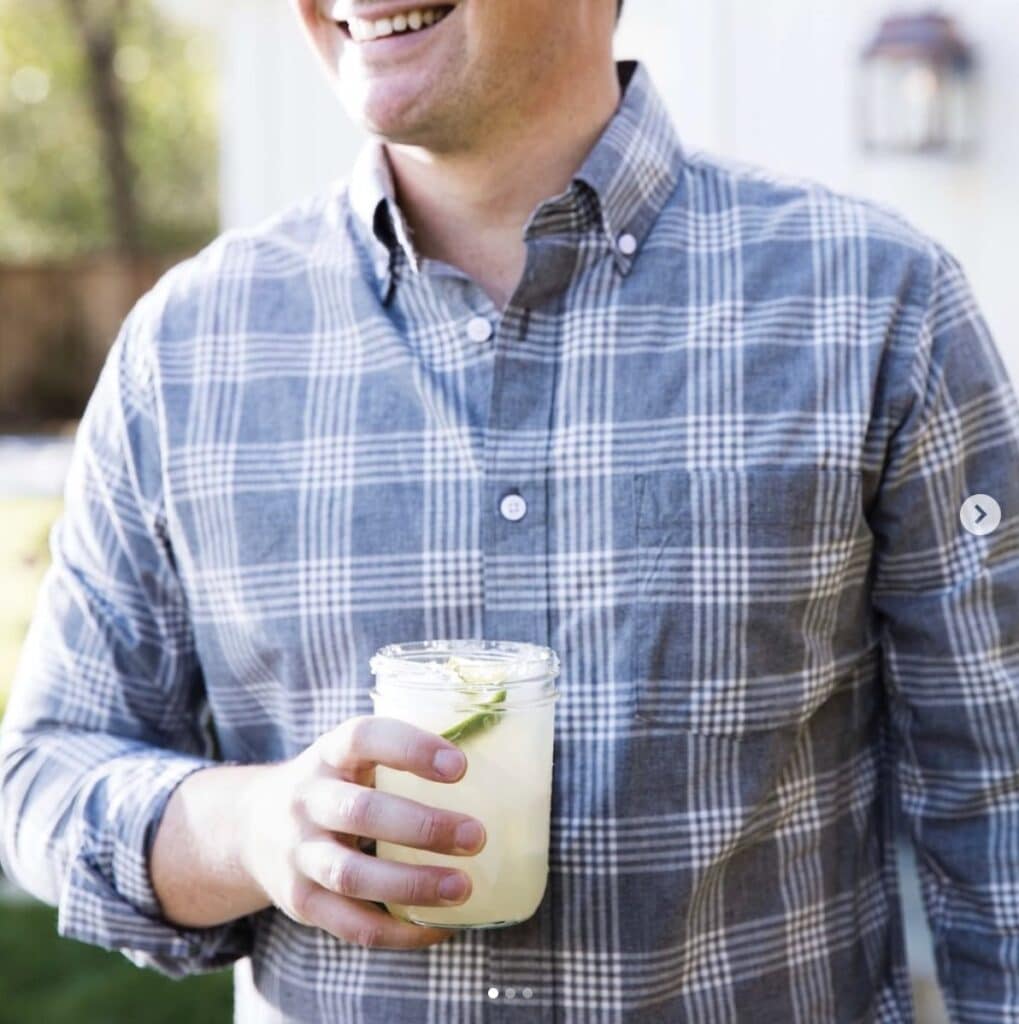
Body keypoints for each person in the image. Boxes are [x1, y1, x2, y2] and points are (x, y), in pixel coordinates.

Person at [2, 0, 1018, 1019]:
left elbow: (999, 810)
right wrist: (251, 829)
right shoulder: (184, 353)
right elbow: (48, 772)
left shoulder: (877, 310)